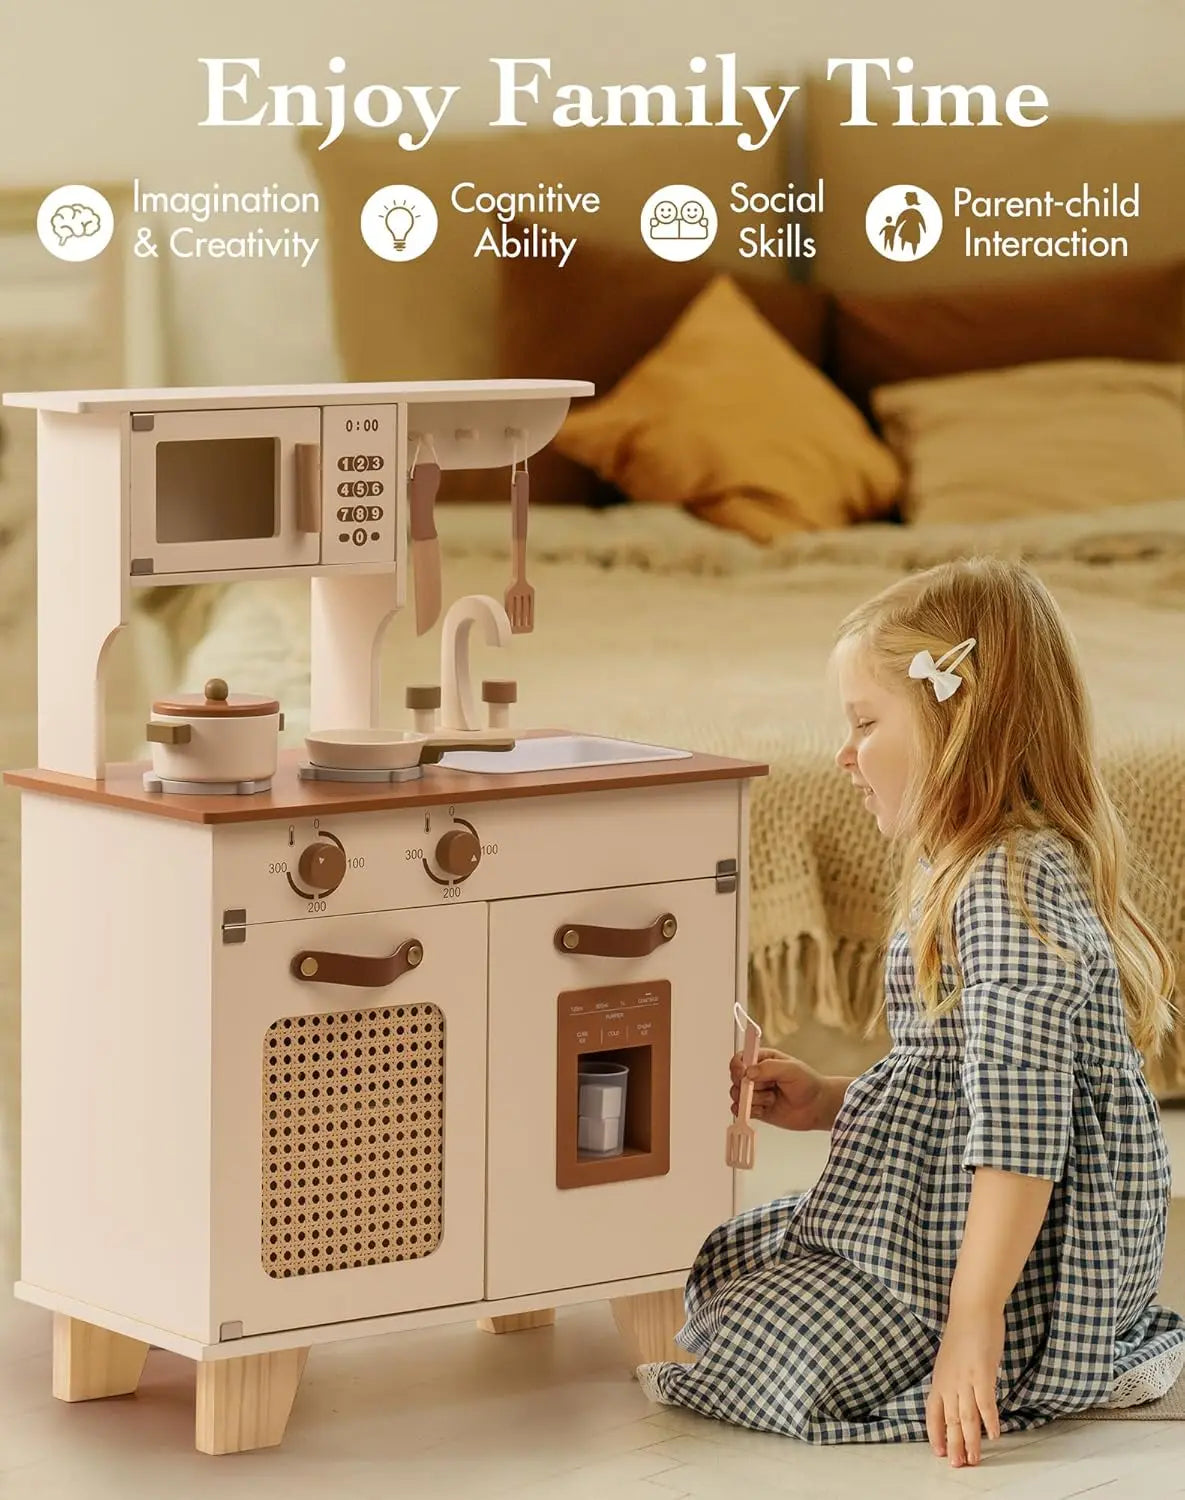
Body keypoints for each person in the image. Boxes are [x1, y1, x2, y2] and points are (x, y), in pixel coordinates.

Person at [636, 557, 1185, 1468]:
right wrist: (824, 1099)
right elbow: (954, 1086)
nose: (844, 755)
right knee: (727, 1263)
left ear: (953, 723)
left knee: (755, 1344)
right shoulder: (970, 868)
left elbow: (1018, 1126)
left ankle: (1024, 1349)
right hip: (959, 1215)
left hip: (1025, 1262)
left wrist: (973, 1323)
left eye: (863, 723)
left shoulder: (1008, 886)